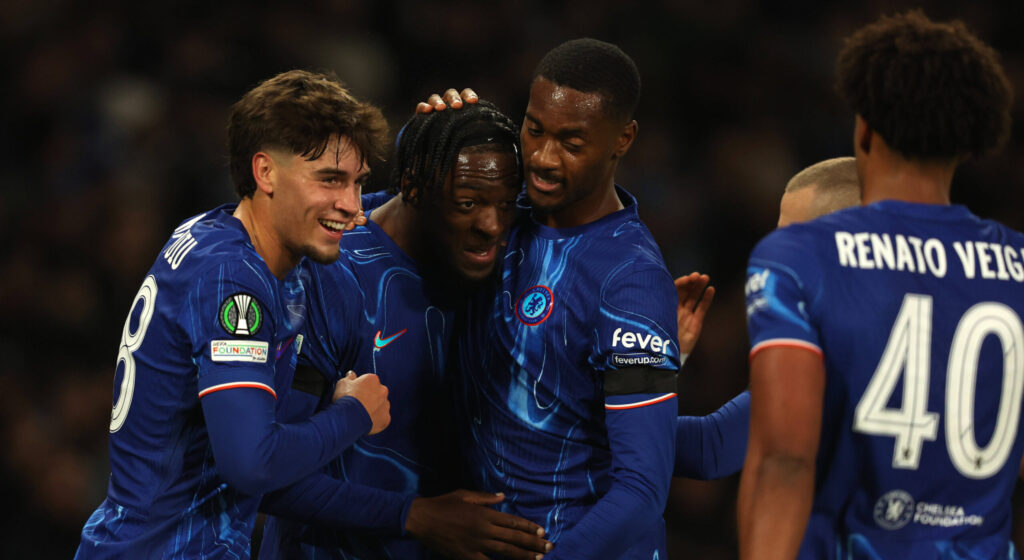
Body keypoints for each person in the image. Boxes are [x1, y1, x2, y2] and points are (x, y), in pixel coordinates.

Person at [738, 11, 1021, 559]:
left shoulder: (800, 256)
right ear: (967, 145)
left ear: (863, 129)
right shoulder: (1018, 264)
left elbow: (785, 459)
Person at [75, 70, 392, 559]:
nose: (350, 205)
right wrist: (354, 414)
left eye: (357, 182)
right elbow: (252, 465)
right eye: (330, 179)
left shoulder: (215, 234)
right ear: (265, 172)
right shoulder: (233, 283)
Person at [257, 100, 553, 560]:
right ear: (414, 187)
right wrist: (413, 516)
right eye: (468, 204)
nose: (491, 226)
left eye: (505, 204)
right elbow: (268, 476)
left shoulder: (503, 259)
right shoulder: (330, 277)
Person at [672, 156, 860, 480]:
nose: (774, 253)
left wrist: (643, 368)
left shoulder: (827, 345)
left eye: (788, 239)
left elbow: (709, 449)